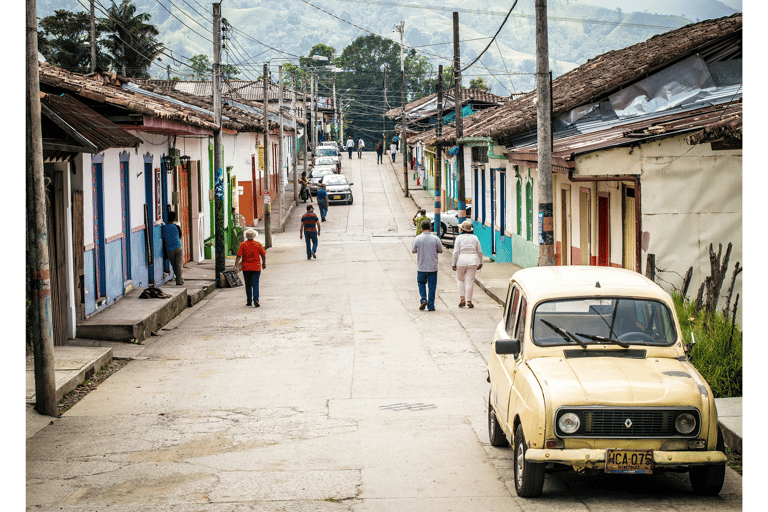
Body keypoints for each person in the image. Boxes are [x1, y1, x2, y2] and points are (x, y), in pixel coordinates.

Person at [412, 219, 443, 312]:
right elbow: (440, 250)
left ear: (421, 228)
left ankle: (423, 299)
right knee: (432, 286)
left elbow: (413, 250)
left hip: (421, 267)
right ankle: (431, 306)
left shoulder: (417, 238)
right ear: (430, 228)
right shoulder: (435, 238)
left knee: (421, 283)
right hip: (433, 267)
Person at [452, 220, 483, 308]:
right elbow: (479, 251)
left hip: (461, 261)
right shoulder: (475, 238)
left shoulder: (459, 238)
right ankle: (469, 301)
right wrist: (480, 262)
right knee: (470, 281)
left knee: (460, 280)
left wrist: (453, 263)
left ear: (462, 229)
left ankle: (462, 299)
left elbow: (456, 252)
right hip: (473, 261)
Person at [234, 228, 266, 307]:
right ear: (254, 236)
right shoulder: (258, 244)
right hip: (256, 267)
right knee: (255, 283)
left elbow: (239, 256)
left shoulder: (243, 244)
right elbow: (263, 255)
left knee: (248, 284)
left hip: (246, 267)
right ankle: (256, 299)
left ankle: (249, 301)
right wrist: (263, 263)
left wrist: (235, 265)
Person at [162, 211, 184, 285]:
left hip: (170, 249)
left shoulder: (164, 227)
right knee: (179, 265)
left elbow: (163, 238)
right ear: (174, 219)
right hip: (178, 247)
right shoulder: (176, 227)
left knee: (174, 265)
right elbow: (180, 236)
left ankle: (179, 279)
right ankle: (179, 280)